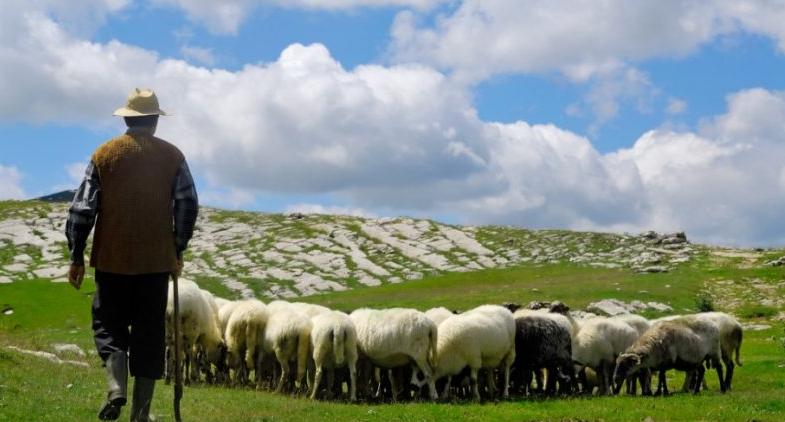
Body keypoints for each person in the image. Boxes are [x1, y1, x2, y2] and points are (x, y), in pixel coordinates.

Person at [65, 88, 198, 421]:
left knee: (108, 326)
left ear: (126, 118)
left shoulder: (104, 154)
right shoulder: (173, 156)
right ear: (155, 121)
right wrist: (176, 248)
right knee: (150, 333)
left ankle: (116, 388)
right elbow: (187, 204)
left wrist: (76, 255)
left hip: (112, 260)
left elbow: (82, 208)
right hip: (154, 263)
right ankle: (141, 413)